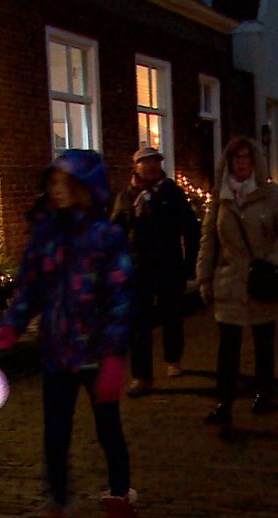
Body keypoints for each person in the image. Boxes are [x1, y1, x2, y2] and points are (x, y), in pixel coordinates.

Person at [0, 149, 137, 518]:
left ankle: (119, 504)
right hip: (57, 353)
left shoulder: (108, 237)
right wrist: (12, 323)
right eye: (52, 183)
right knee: (55, 437)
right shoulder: (45, 235)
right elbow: (31, 287)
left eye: (63, 183)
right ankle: (55, 515)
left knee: (108, 432)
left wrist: (113, 356)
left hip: (95, 355)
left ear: (85, 188)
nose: (56, 191)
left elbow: (121, 298)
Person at [196, 137, 278, 440]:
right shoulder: (220, 198)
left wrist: (272, 262)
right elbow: (209, 238)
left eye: (246, 158)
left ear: (255, 162)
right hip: (230, 280)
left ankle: (264, 393)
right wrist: (204, 276)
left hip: (261, 278)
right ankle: (224, 402)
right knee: (228, 347)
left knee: (264, 341)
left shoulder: (271, 195)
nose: (241, 163)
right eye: (236, 158)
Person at [111, 147, 200, 397]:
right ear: (135, 167)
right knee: (139, 322)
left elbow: (190, 228)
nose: (150, 167)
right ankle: (141, 376)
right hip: (138, 267)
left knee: (172, 314)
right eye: (145, 163)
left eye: (155, 162)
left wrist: (189, 263)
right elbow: (115, 231)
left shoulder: (171, 193)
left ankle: (173, 358)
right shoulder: (127, 197)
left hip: (169, 263)